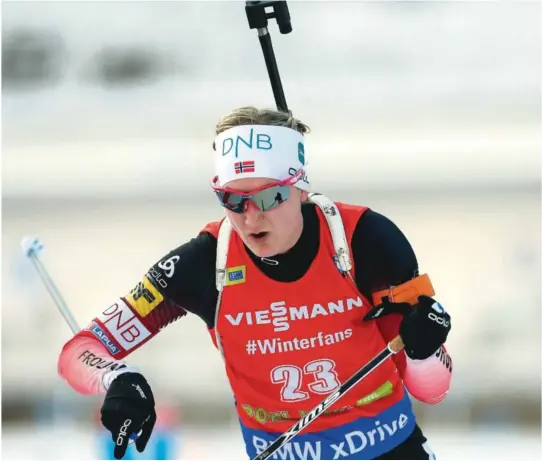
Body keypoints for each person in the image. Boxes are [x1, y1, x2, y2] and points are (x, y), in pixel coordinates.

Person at [58, 106, 453, 460]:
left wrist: (424, 349)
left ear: (300, 187)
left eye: (268, 198)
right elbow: (80, 350)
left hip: (390, 450)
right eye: (232, 200)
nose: (250, 218)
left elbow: (433, 388)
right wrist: (117, 379)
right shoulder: (203, 263)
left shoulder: (364, 240)